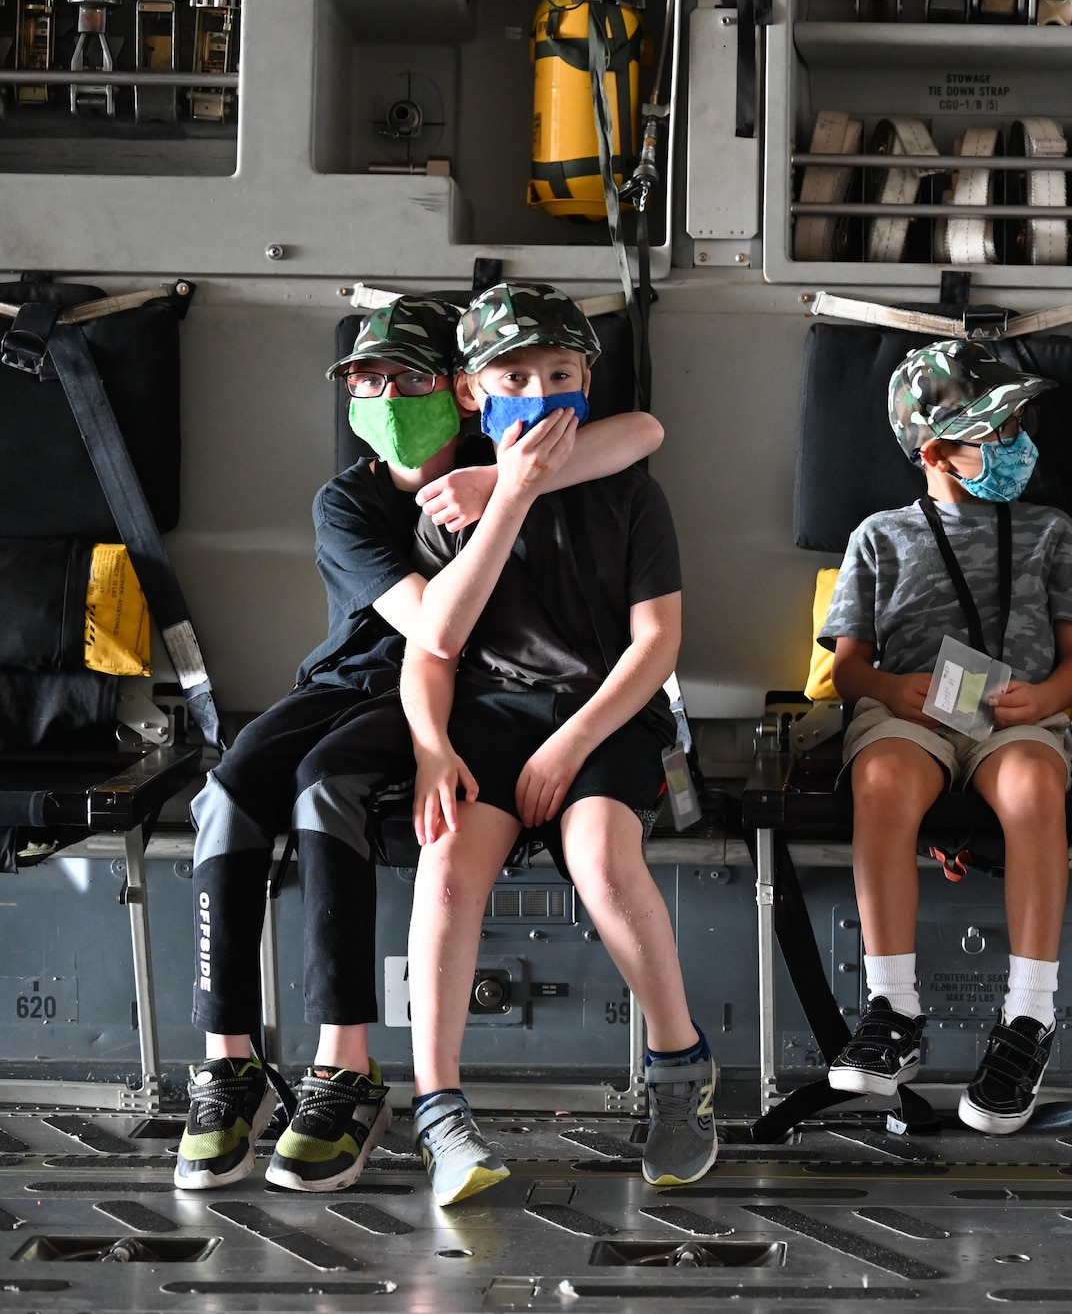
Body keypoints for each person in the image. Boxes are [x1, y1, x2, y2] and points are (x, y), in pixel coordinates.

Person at [175, 297, 662, 1193]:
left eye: (410, 376)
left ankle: (345, 1063)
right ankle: (226, 1057)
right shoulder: (347, 500)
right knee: (232, 786)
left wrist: (506, 484)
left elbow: (639, 431)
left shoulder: (497, 456)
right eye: (367, 379)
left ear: (461, 392)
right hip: (357, 675)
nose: (387, 394)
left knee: (328, 787)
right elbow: (424, 622)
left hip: (440, 688)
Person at [398, 282, 713, 1204]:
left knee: (607, 866)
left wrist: (570, 747)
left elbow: (657, 643)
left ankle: (678, 1067)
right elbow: (438, 646)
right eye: (515, 374)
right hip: (493, 715)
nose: (541, 391)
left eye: (562, 374)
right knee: (447, 867)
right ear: (471, 390)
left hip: (606, 714)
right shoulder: (452, 506)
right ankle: (439, 1109)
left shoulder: (630, 494)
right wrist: (430, 746)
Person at [816, 340, 1072, 1135]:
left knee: (1032, 789)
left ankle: (1029, 1015)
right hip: (910, 709)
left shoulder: (1052, 531)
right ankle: (893, 1007)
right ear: (937, 450)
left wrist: (1046, 696)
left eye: (1019, 422)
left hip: (1018, 709)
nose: (1019, 440)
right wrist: (888, 690)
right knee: (882, 783)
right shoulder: (879, 535)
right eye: (1000, 429)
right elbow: (849, 669)